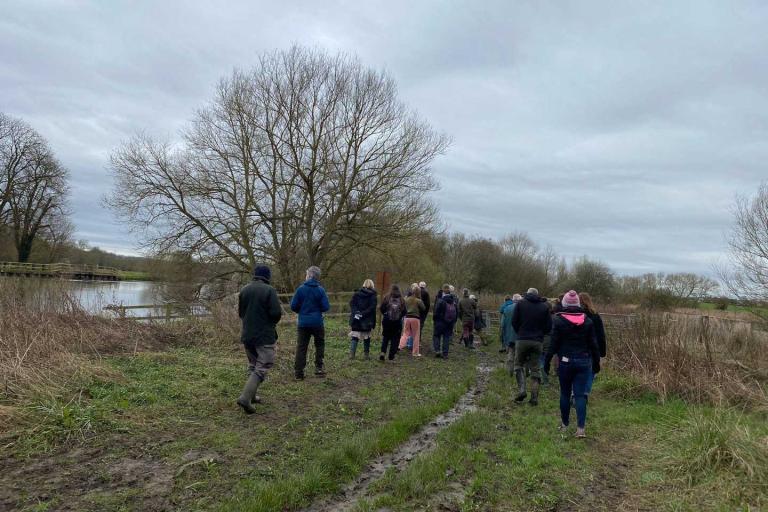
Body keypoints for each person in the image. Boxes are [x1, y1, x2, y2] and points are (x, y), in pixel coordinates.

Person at [545, 290, 600, 438]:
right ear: (577, 304)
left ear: (564, 304)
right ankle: (581, 429)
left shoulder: (558, 321)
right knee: (580, 395)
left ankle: (564, 424)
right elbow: (594, 344)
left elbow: (553, 344)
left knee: (564, 393)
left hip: (565, 362)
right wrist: (597, 363)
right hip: (584, 361)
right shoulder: (587, 321)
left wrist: (547, 361)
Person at [236, 264, 282, 415]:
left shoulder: (244, 289)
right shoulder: (269, 290)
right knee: (263, 366)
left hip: (247, 334)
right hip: (264, 336)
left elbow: (241, 313)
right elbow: (276, 313)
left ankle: (252, 396)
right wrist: (268, 323)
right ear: (267, 277)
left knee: (253, 364)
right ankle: (245, 398)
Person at [511, 287, 552, 405]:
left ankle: (522, 390)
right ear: (537, 295)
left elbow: (514, 321)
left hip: (522, 339)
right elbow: (549, 326)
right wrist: (539, 334)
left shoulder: (520, 304)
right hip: (537, 341)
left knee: (518, 364)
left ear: (527, 294)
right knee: (535, 368)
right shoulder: (544, 307)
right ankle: (534, 398)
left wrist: (520, 332)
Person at [290, 266, 331, 380]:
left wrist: (301, 311)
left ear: (309, 275)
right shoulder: (320, 290)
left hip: (303, 323)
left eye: (306, 274)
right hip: (317, 322)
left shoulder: (300, 289)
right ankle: (319, 368)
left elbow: (293, 306)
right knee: (319, 344)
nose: (306, 276)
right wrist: (318, 310)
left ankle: (299, 373)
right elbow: (326, 307)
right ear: (317, 277)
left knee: (302, 347)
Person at [579, 292, 607, 398]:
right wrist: (602, 351)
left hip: (578, 347)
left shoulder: (575, 314)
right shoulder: (595, 315)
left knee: (577, 370)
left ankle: (575, 391)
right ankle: (585, 392)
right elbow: (601, 334)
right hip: (592, 348)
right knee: (591, 371)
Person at [349, 279, 377, 360]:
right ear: (372, 285)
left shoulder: (356, 294)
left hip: (356, 318)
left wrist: (357, 312)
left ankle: (352, 355)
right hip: (367, 319)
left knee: (355, 336)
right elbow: (372, 308)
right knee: (366, 337)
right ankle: (366, 355)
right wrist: (363, 314)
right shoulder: (373, 296)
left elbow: (352, 304)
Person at [379, 284, 407, 361]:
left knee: (386, 337)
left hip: (387, 321)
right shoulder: (401, 299)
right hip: (397, 323)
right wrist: (399, 316)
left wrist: (386, 315)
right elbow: (405, 311)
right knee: (395, 338)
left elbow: (381, 308)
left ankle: (383, 352)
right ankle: (391, 355)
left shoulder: (387, 297)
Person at [399, 284, 426, 356]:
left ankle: (399, 346)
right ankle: (415, 353)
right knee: (416, 335)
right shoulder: (418, 300)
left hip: (407, 318)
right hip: (415, 318)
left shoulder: (406, 299)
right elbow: (423, 308)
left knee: (405, 333)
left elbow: (403, 307)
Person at [432, 284, 458, 358]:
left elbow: (436, 312)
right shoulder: (454, 301)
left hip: (439, 322)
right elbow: (457, 313)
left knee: (436, 336)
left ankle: (437, 350)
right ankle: (445, 354)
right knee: (446, 338)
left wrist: (435, 320)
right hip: (449, 323)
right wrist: (453, 322)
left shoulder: (440, 301)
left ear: (443, 291)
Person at [501, 294, 522, 375]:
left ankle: (510, 371)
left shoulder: (507, 309)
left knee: (510, 352)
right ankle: (518, 370)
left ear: (513, 300)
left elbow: (503, 324)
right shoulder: (523, 308)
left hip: (509, 334)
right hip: (520, 335)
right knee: (519, 353)